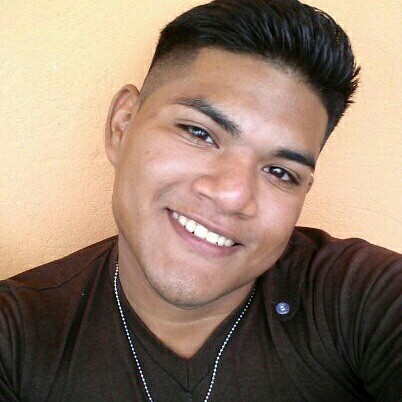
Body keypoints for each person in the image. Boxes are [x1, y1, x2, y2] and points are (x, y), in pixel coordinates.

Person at [0, 0, 400, 400]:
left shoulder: (362, 298)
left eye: (281, 172)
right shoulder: (17, 336)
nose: (232, 196)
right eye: (199, 133)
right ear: (123, 126)